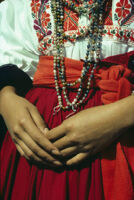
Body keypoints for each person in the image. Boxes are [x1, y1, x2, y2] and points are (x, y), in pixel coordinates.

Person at [0, 0, 134, 199]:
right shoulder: (19, 4)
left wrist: (121, 116)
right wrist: (6, 98)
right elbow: (9, 60)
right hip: (37, 149)